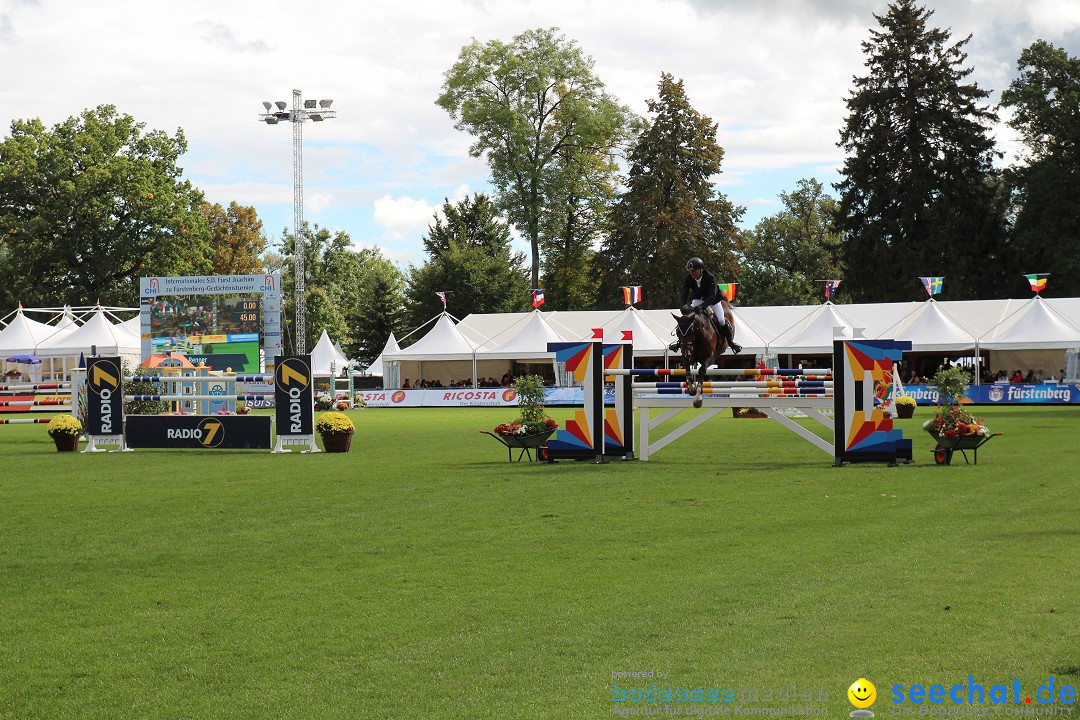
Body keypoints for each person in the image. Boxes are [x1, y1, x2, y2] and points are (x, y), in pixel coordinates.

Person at [668, 257, 742, 354]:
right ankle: (680, 341)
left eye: (694, 271)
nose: (692, 273)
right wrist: (682, 306)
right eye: (690, 271)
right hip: (698, 300)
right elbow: (684, 294)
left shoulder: (710, 277)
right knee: (687, 318)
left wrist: (702, 307)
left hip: (713, 301)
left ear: (701, 269)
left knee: (720, 319)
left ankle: (731, 341)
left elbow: (711, 296)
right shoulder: (688, 279)